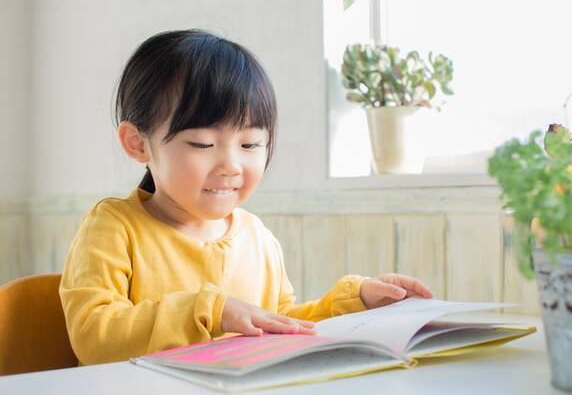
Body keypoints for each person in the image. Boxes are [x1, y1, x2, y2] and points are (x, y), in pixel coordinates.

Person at [59, 29, 433, 366]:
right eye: (203, 143)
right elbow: (94, 337)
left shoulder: (257, 237)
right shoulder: (114, 227)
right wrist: (211, 311)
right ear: (138, 143)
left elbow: (282, 322)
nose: (231, 165)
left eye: (250, 143)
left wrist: (359, 301)